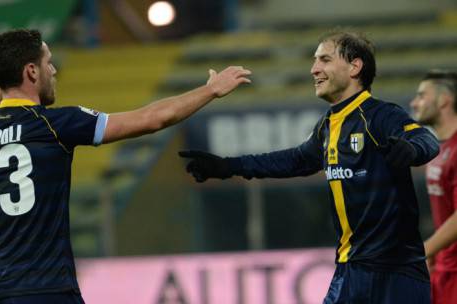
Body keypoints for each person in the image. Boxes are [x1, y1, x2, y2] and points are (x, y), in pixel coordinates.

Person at [0, 29, 251, 304]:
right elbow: (152, 119)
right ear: (31, 71)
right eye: (47, 62)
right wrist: (210, 90)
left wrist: (6, 77)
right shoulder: (56, 124)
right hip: (47, 292)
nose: (53, 71)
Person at [180, 30, 439, 303]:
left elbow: (426, 139)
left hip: (395, 271)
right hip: (352, 269)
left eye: (325, 60)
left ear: (355, 66)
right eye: (315, 61)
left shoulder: (379, 115)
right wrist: (228, 166)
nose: (314, 69)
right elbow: (295, 160)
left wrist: (412, 150)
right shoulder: (328, 126)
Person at [410, 70, 457, 304]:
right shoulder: (441, 150)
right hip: (445, 269)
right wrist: (436, 252)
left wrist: (426, 249)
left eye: (421, 95)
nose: (414, 102)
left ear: (443, 100)